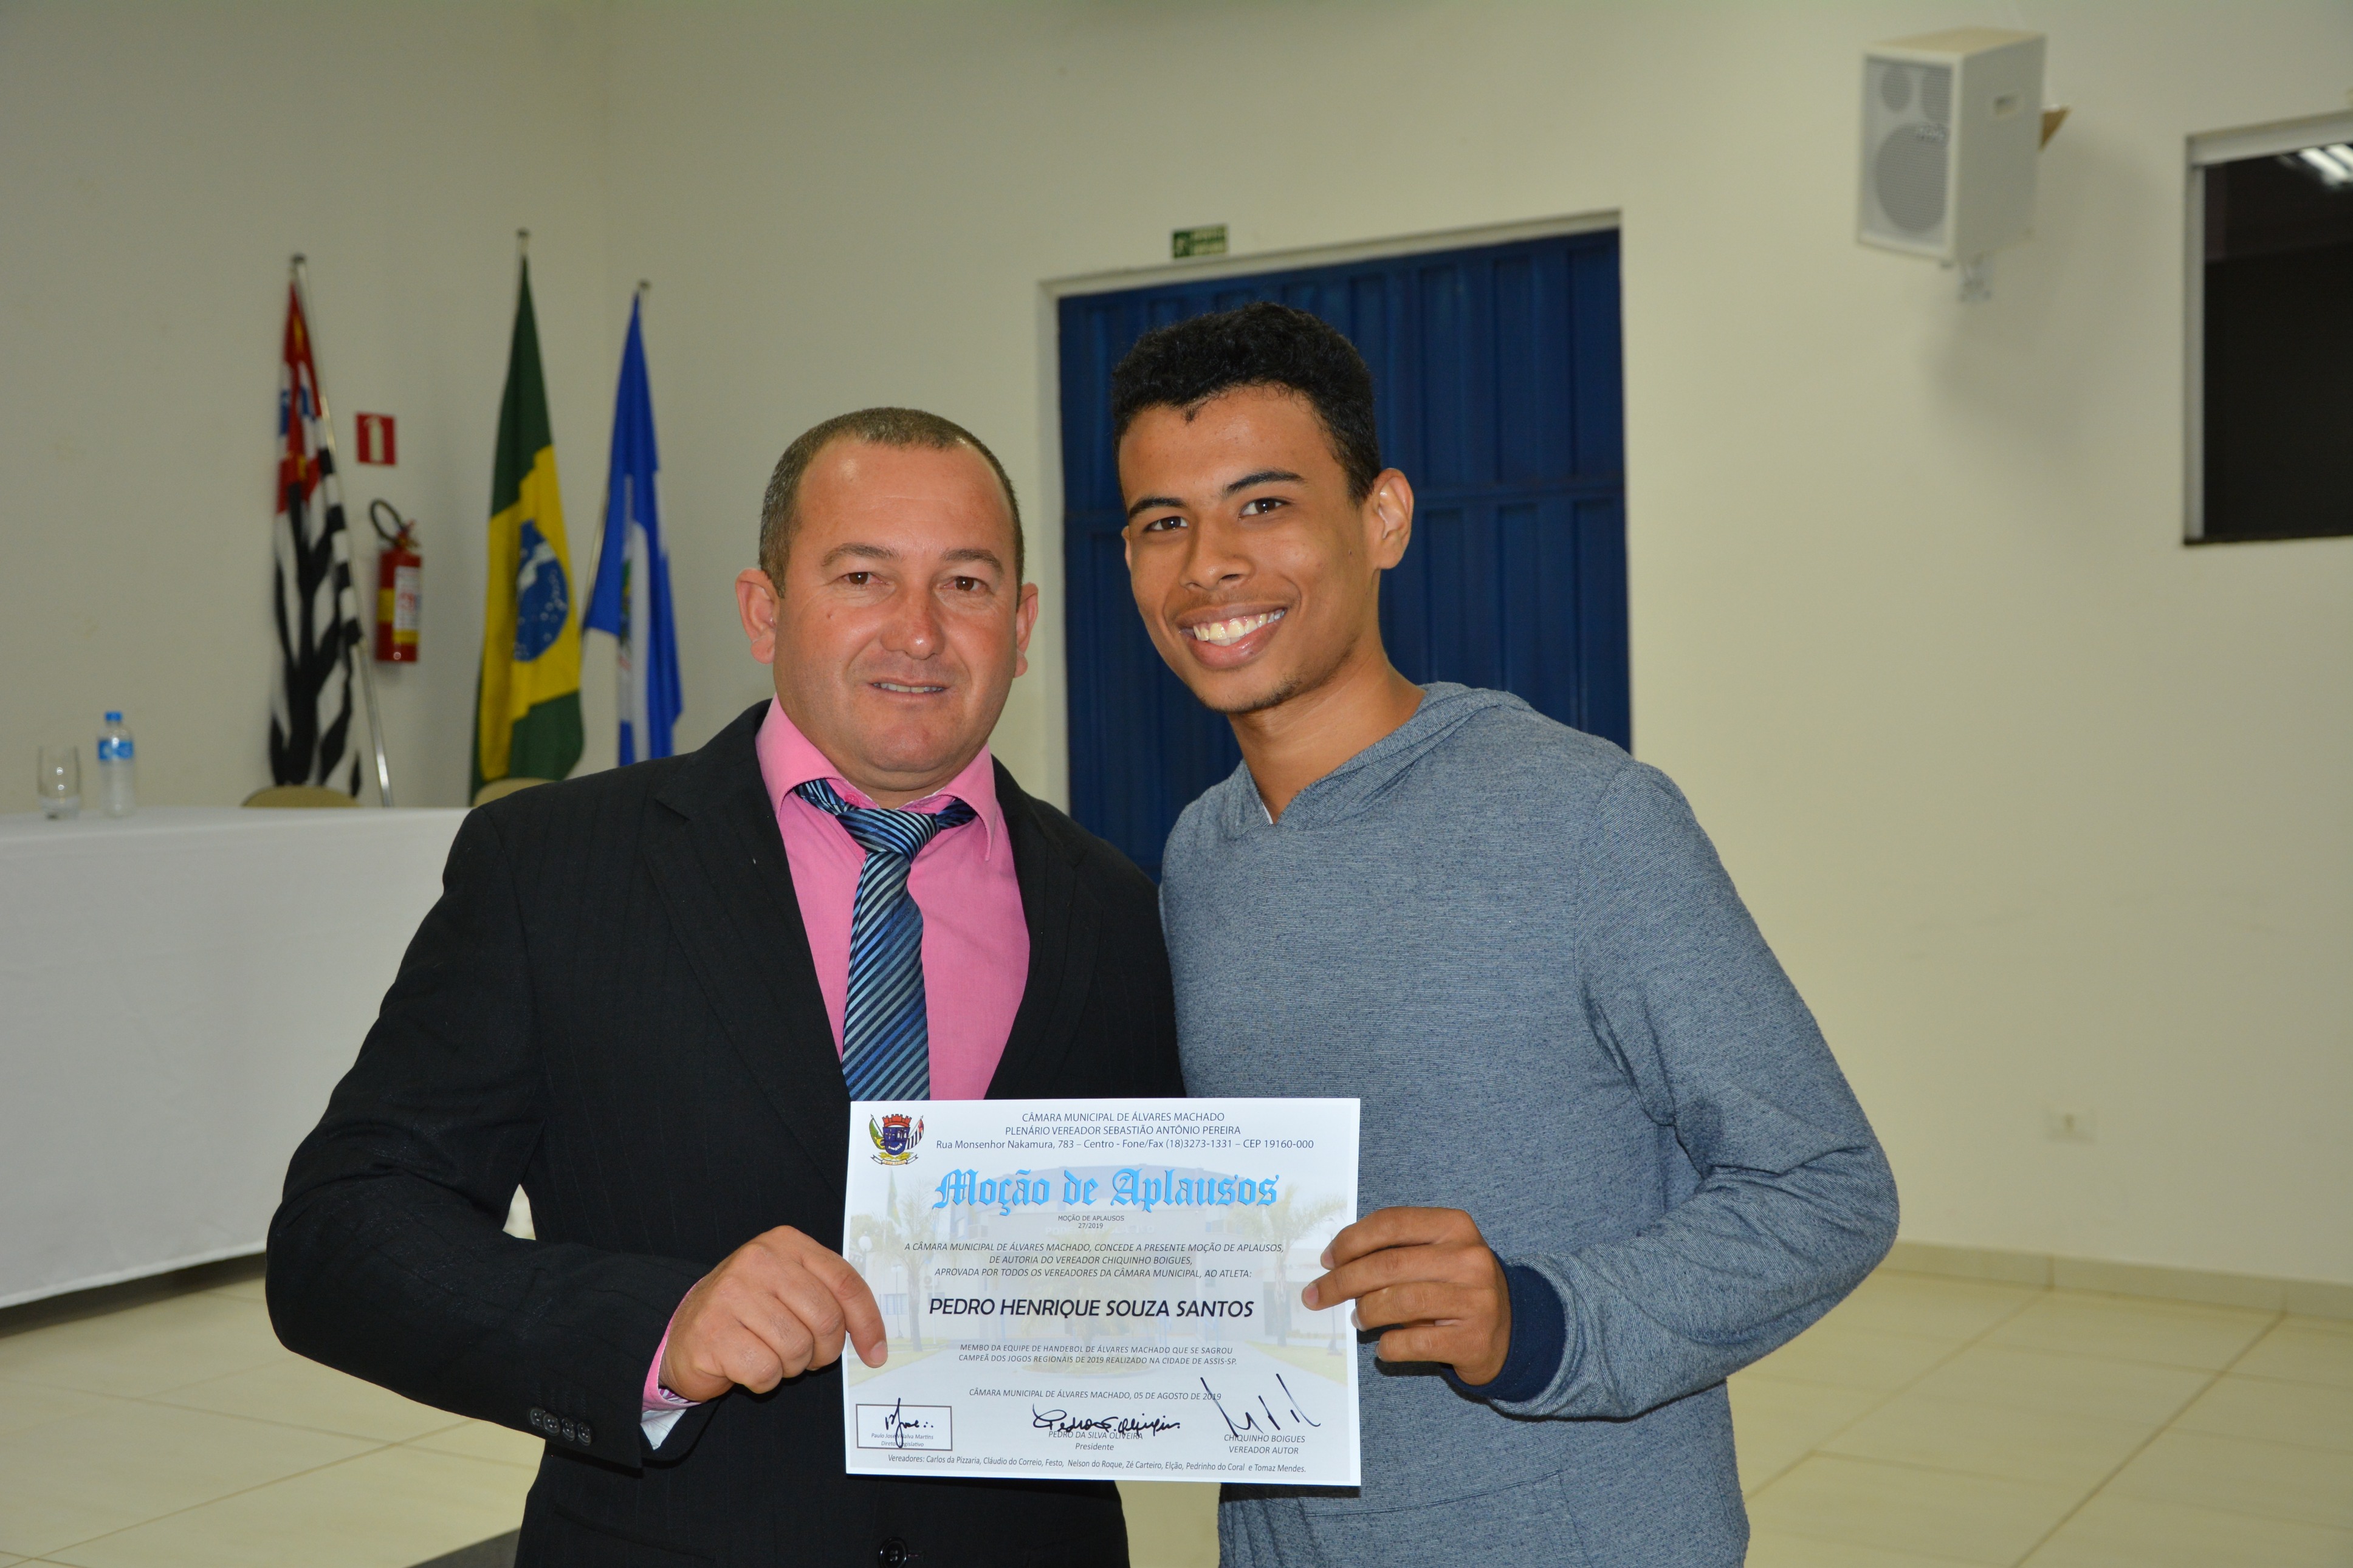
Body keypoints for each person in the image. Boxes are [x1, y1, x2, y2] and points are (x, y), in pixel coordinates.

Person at [269, 407, 1183, 1567]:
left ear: (1023, 624)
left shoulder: (1120, 909)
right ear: (764, 610)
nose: (919, 631)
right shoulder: (555, 868)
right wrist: (657, 1328)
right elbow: (342, 1233)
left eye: (966, 583)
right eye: (862, 576)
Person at [1113, 304, 1898, 1568]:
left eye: (1263, 503)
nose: (1208, 564)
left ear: (1383, 519)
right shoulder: (1198, 857)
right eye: (1163, 522)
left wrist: (1537, 1321)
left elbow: (1826, 1187)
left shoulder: (1586, 818)